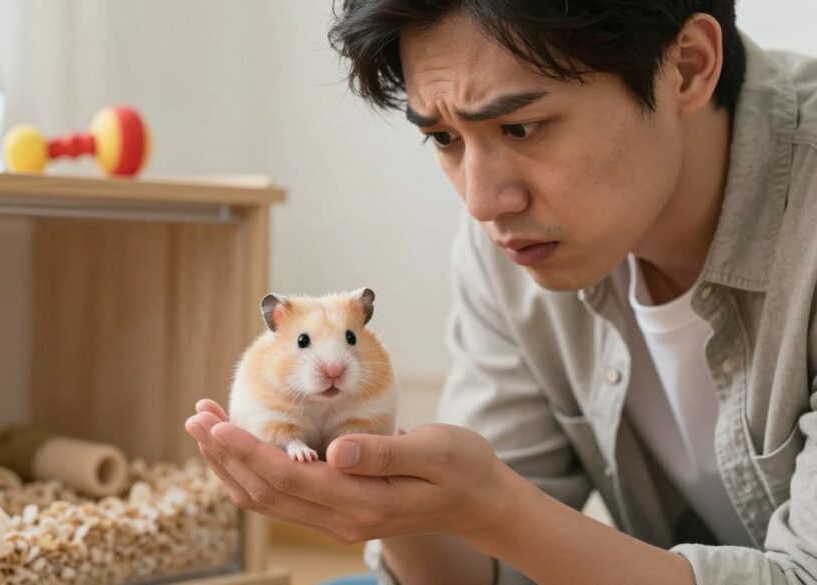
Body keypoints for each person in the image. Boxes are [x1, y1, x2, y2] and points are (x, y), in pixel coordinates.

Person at [185, 1, 817, 583]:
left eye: (521, 128)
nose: (483, 201)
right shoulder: (518, 244)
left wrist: (496, 510)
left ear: (685, 68)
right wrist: (394, 509)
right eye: (443, 138)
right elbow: (481, 570)